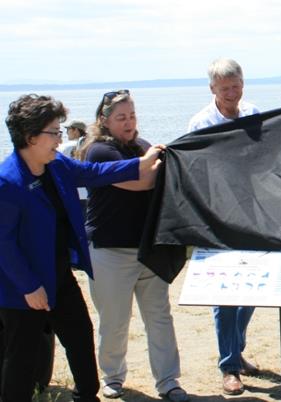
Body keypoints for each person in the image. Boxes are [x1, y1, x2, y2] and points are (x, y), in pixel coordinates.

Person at [0, 93, 163, 402]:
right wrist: (29, 286)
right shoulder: (7, 182)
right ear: (30, 136)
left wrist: (140, 164)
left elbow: (94, 173)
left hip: (59, 277)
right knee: (21, 358)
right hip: (23, 290)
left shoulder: (57, 163)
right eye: (53, 132)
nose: (60, 138)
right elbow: (3, 244)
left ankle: (86, 396)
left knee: (80, 338)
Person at [78, 90, 189, 401]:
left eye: (132, 116)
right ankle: (112, 377)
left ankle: (168, 381)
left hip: (146, 249)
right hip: (109, 251)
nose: (129, 123)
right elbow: (140, 180)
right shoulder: (99, 151)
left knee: (159, 317)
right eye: (121, 118)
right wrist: (158, 161)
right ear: (105, 120)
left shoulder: (142, 147)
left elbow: (154, 170)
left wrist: (163, 157)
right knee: (114, 320)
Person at [187, 57, 261, 395]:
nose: (232, 93)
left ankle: (237, 350)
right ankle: (229, 366)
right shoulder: (201, 122)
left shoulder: (254, 114)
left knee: (253, 287)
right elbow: (194, 171)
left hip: (255, 213)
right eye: (225, 88)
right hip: (218, 216)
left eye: (236, 85)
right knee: (225, 293)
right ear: (212, 89)